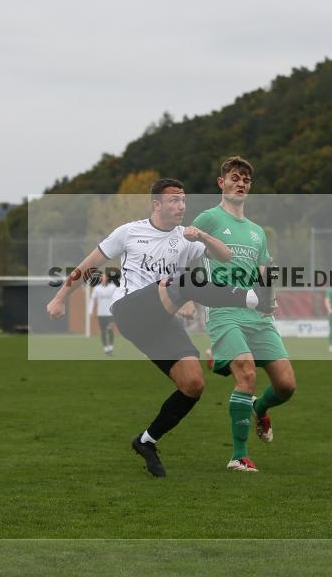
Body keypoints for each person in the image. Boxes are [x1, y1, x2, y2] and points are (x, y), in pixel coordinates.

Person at [46, 177, 275, 477]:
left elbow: (225, 255)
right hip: (129, 311)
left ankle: (146, 441)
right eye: (174, 200)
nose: (181, 205)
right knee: (180, 282)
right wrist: (60, 297)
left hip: (160, 321)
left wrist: (203, 237)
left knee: (193, 385)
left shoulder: (186, 237)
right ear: (157, 204)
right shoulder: (129, 232)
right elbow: (89, 265)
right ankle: (250, 298)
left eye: (183, 200)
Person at [192, 156, 296, 472]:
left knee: (286, 386)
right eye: (235, 177)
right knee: (247, 373)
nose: (241, 183)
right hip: (224, 310)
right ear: (221, 182)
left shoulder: (256, 231)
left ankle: (259, 408)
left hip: (257, 315)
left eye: (246, 180)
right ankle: (239, 455)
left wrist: (271, 299)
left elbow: (264, 270)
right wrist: (182, 293)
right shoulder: (208, 218)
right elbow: (184, 253)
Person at [88, 272, 117, 356]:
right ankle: (106, 348)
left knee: (110, 329)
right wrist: (90, 311)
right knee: (103, 331)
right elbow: (92, 300)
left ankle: (111, 347)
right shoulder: (97, 289)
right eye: (102, 277)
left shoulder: (113, 287)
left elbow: (117, 297)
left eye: (105, 277)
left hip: (110, 313)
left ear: (107, 278)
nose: (103, 278)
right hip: (101, 313)